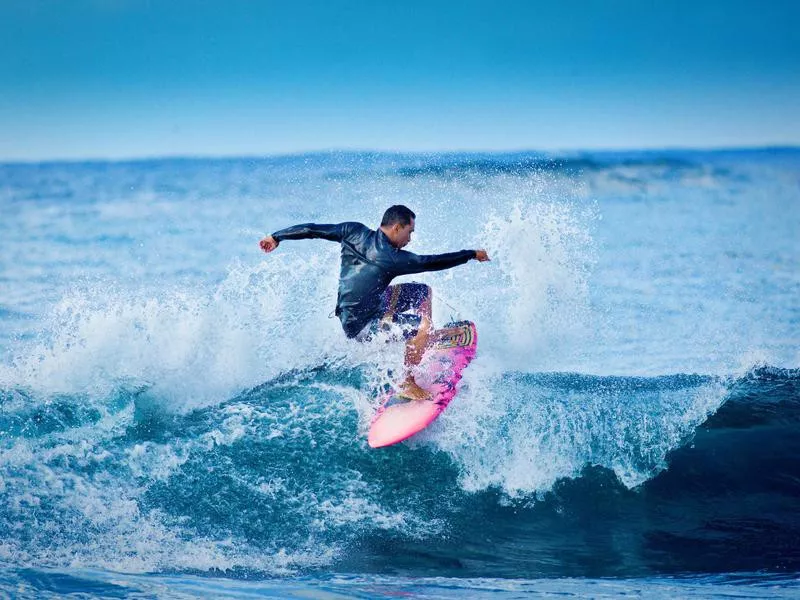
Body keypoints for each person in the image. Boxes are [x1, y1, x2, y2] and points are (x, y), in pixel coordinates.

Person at [260, 205, 490, 400]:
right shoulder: (393, 258)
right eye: (409, 233)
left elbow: (313, 230)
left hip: (358, 310)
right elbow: (432, 262)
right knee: (420, 328)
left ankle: (423, 341)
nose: (410, 239)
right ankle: (407, 380)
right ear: (396, 227)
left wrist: (276, 236)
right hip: (362, 327)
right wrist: (471, 254)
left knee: (421, 291)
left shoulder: (353, 230)